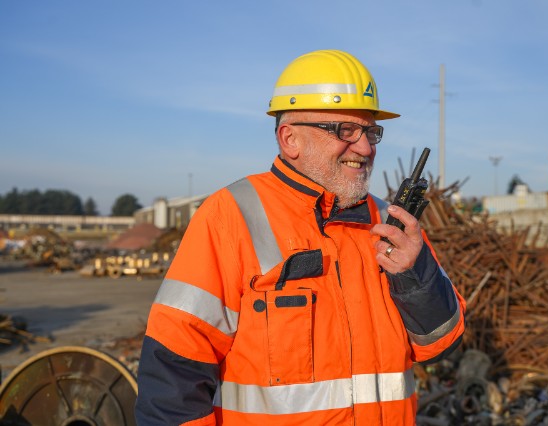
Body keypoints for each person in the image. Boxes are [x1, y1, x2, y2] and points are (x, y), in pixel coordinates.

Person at [135, 49, 466, 425]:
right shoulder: (230, 216)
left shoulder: (389, 222)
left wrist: (415, 275)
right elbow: (172, 374)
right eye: (346, 130)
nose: (366, 147)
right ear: (290, 138)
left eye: (371, 131)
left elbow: (442, 342)